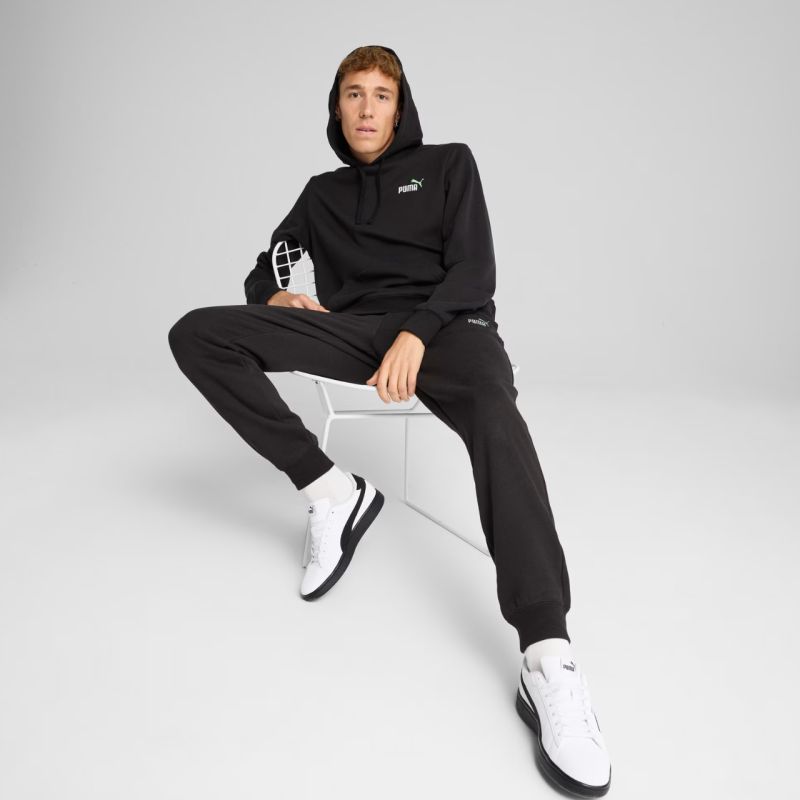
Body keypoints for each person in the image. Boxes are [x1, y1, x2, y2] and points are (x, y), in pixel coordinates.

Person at [168, 45, 611, 796]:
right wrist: (275, 297)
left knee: (496, 417)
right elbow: (268, 263)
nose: (367, 108)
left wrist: (419, 331)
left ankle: (547, 656)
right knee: (198, 334)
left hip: (452, 329)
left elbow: (475, 270)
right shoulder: (321, 194)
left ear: (400, 108)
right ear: (337, 108)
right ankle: (331, 490)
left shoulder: (448, 165)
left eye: (381, 94)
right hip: (353, 332)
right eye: (354, 94)